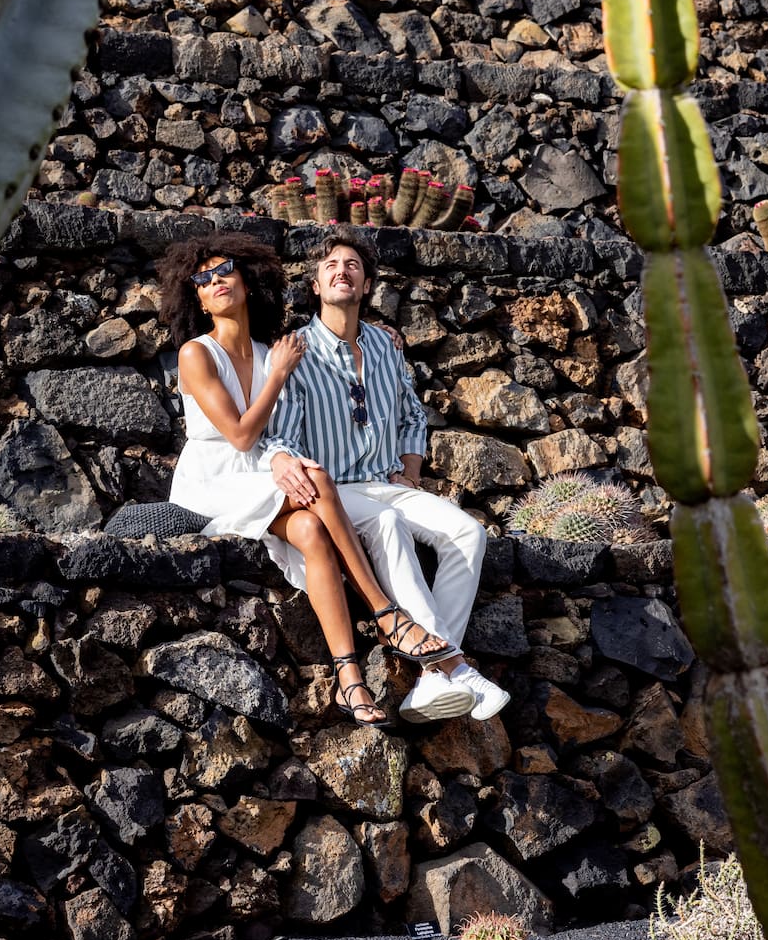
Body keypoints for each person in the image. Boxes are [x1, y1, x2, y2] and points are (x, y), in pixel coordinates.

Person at [157, 232, 429, 730]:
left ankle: (349, 677)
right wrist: (278, 375)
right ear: (194, 295)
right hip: (214, 481)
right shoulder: (198, 354)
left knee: (310, 531)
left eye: (225, 272)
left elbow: (340, 346)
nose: (215, 281)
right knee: (318, 479)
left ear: (247, 281)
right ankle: (386, 611)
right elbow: (240, 436)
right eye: (203, 278)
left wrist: (381, 334)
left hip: (259, 475)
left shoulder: (270, 348)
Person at [259, 228, 511, 724]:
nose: (341, 271)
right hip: (333, 488)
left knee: (468, 532)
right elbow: (280, 435)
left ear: (367, 284)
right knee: (388, 527)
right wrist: (286, 464)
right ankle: (449, 668)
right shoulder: (296, 350)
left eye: (352, 265)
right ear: (315, 285)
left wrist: (411, 469)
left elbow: (412, 416)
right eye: (330, 265)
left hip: (387, 480)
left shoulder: (384, 345)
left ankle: (431, 679)